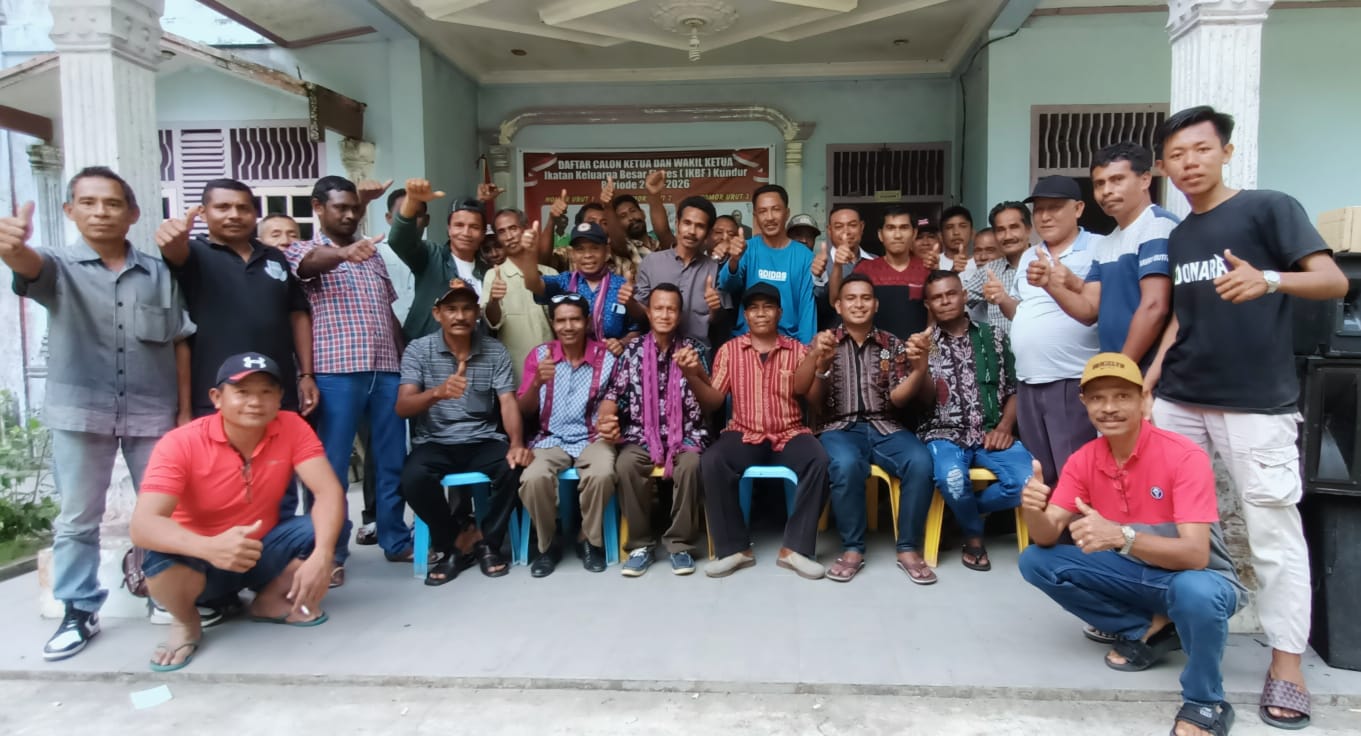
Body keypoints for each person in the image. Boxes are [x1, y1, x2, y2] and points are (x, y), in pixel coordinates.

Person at [1146, 106, 1348, 730]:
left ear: (1226, 152)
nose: (1190, 163)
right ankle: (1170, 618)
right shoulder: (1181, 236)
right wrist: (1151, 379)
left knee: (1272, 532)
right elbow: (1182, 318)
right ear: (1164, 166)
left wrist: (1270, 280)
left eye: (1201, 149)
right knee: (1166, 514)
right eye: (1177, 155)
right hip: (1181, 396)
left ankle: (1286, 662)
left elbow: (1334, 281)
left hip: (1256, 401)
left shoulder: (1268, 208)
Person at [3, 168, 193, 661]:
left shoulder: (158, 274)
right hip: (80, 412)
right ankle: (79, 609)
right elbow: (27, 267)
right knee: (77, 516)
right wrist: (12, 248)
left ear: (132, 213)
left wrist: (184, 412)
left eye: (112, 203)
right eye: (87, 203)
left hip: (153, 411)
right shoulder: (57, 266)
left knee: (165, 511)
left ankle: (163, 592)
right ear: (70, 211)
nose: (100, 212)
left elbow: (179, 342)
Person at [1019, 353, 1245, 736]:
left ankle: (1205, 701)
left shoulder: (1184, 456)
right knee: (1036, 561)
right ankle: (1148, 628)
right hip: (1136, 573)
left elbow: (1195, 555)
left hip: (1199, 578)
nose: (1109, 407)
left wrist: (1122, 537)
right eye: (1098, 398)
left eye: (1122, 396)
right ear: (1084, 403)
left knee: (1195, 592)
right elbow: (1046, 534)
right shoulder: (1083, 460)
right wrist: (1032, 509)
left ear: (1144, 400)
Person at [130, 353, 344, 672]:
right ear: (217, 398)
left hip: (259, 551)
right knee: (160, 555)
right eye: (242, 392)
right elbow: (143, 525)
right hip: (199, 561)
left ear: (279, 398)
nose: (255, 402)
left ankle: (269, 601)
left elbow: (328, 492)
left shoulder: (292, 426)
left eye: (266, 391)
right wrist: (209, 547)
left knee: (319, 530)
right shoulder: (180, 443)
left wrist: (324, 555)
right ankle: (186, 622)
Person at [284, 176, 409, 578]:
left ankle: (395, 538)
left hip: (386, 370)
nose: (350, 215)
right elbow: (310, 264)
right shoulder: (300, 250)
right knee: (329, 468)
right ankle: (330, 552)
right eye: (341, 207)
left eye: (355, 208)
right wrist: (344, 253)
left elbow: (388, 312)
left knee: (391, 461)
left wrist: (406, 362)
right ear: (318, 208)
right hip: (335, 373)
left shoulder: (370, 255)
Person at [685, 282, 830, 580]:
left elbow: (814, 400)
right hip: (745, 433)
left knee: (819, 459)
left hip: (789, 432)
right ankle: (735, 549)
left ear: (779, 313)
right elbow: (714, 401)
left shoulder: (797, 350)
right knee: (713, 460)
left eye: (768, 307)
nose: (761, 313)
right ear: (745, 315)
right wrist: (693, 376)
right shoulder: (730, 351)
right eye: (753, 308)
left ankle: (795, 549)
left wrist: (817, 363)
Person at [396, 285, 530, 584]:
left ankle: (487, 542)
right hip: (435, 442)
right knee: (412, 479)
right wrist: (438, 393)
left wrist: (517, 443)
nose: (460, 316)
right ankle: (453, 542)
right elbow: (403, 406)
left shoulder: (494, 350)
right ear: (437, 314)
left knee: (514, 465)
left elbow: (508, 402)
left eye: (467, 308)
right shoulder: (419, 350)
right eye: (451, 309)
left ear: (477, 313)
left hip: (482, 440)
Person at [806, 274, 935, 583]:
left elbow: (899, 399)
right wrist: (820, 365)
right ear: (838, 305)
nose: (859, 304)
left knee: (920, 461)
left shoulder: (892, 345)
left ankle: (908, 548)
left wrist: (919, 370)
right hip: (839, 427)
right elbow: (813, 402)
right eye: (851, 298)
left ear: (876, 304)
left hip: (885, 426)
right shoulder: (824, 342)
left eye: (865, 298)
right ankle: (853, 548)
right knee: (845, 464)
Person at [154, 179, 318, 420]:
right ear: (203, 213)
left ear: (254, 214)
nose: (234, 215)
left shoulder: (273, 256)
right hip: (214, 393)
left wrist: (306, 374)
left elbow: (297, 314)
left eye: (243, 208)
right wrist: (174, 238)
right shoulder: (193, 252)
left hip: (275, 390)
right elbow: (174, 252)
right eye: (223, 207)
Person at [918, 270, 1032, 574]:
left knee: (1029, 483)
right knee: (953, 480)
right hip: (943, 434)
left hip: (992, 431)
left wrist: (1005, 427)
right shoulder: (923, 345)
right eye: (937, 297)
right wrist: (918, 364)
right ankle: (973, 537)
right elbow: (918, 400)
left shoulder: (994, 337)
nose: (945, 301)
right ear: (928, 304)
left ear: (964, 296)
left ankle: (959, 513)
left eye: (951, 294)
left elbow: (1014, 389)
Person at [598, 284, 709, 577]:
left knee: (691, 465)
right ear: (648, 312)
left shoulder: (694, 350)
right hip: (641, 436)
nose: (664, 314)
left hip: (686, 435)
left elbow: (711, 397)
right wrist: (606, 419)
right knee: (626, 464)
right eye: (658, 308)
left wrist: (695, 373)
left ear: (679, 315)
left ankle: (680, 545)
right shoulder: (632, 351)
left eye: (671, 309)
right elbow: (613, 395)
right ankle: (640, 545)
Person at [1033, 143, 1177, 365]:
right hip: (1120, 369)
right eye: (1099, 184)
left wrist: (1121, 368)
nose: (1107, 190)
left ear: (1145, 180)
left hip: (1152, 370)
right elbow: (1089, 310)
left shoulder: (1157, 226)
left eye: (1117, 180)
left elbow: (1155, 307)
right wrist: (1050, 284)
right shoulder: (1107, 242)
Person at [1007, 177, 1100, 488]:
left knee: (1074, 473)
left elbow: (1098, 306)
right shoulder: (1029, 255)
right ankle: (1050, 523)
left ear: (1078, 208)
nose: (1045, 216)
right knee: (1041, 472)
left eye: (1055, 208)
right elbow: (1026, 310)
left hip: (1070, 379)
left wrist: (1066, 281)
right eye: (1039, 210)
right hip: (1028, 380)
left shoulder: (1099, 248)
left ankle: (1079, 524)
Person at [516, 293, 619, 577]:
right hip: (549, 437)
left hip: (592, 437)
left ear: (587, 322)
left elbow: (616, 399)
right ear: (552, 323)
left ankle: (589, 539)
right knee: (533, 478)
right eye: (561, 320)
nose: (568, 326)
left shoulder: (607, 357)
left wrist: (609, 421)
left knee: (602, 473)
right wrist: (537, 382)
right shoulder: (540, 356)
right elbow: (524, 409)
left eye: (575, 319)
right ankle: (548, 544)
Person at [511, 220, 643, 355]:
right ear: (572, 254)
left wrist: (621, 343)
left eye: (594, 248)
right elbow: (533, 284)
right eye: (580, 249)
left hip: (612, 362)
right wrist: (529, 255)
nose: (587, 255)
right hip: (571, 363)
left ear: (607, 251)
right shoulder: (564, 282)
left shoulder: (621, 286)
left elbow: (637, 328)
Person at [387, 178, 496, 340]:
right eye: (459, 225)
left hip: (475, 352)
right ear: (449, 229)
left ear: (482, 234)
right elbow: (400, 240)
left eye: (474, 227)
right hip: (428, 353)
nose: (466, 233)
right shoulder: (431, 257)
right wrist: (412, 200)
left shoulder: (488, 272)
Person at [716, 185, 817, 344]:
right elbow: (726, 286)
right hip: (747, 344)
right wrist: (734, 260)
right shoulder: (746, 248)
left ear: (787, 213)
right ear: (755, 216)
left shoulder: (805, 257)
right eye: (762, 211)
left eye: (775, 209)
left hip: (789, 346)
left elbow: (807, 310)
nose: (769, 217)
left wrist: (806, 352)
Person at [634, 195, 731, 349]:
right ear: (677, 224)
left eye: (700, 226)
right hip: (655, 352)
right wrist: (628, 301)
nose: (692, 231)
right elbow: (640, 315)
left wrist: (714, 308)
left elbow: (719, 322)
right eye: (687, 223)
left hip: (697, 353)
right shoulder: (652, 263)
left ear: (708, 233)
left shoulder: (716, 269)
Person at [830, 206, 934, 339]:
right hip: (875, 348)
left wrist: (928, 343)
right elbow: (835, 301)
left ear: (914, 233)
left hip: (916, 347)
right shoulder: (865, 269)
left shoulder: (927, 270)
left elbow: (936, 314)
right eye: (890, 228)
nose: (897, 235)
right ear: (880, 235)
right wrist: (837, 266)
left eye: (904, 228)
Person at [963, 202, 1031, 336]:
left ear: (1028, 229)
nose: (1008, 236)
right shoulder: (988, 271)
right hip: (1001, 348)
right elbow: (956, 299)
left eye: (1014, 227)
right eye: (1000, 230)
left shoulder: (1045, 265)